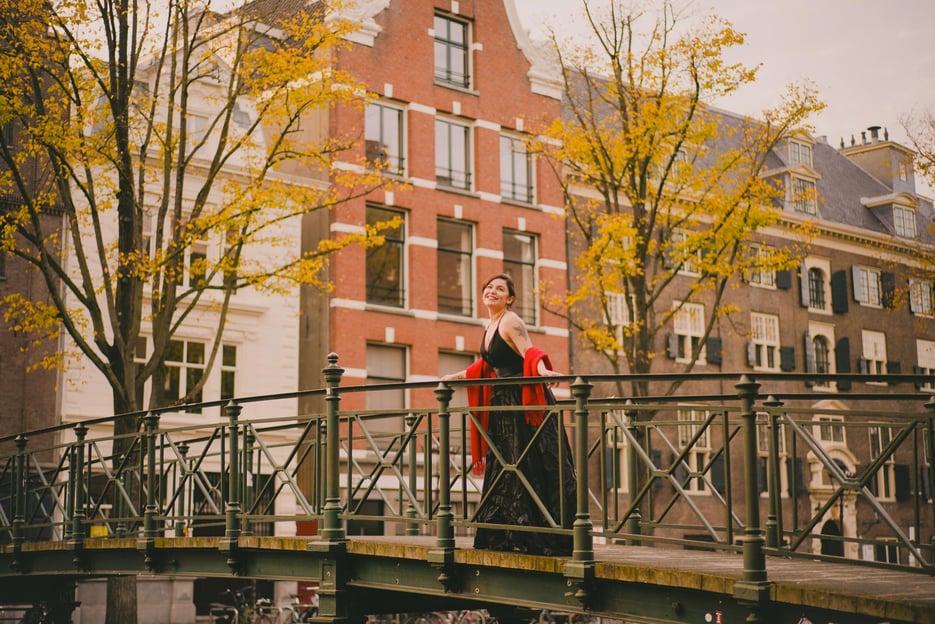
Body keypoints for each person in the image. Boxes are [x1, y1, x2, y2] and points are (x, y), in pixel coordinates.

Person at [441, 273, 576, 556]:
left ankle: (536, 536)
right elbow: (488, 367)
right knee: (506, 464)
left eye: (499, 289)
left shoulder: (511, 320)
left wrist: (543, 371)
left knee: (526, 464)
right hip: (503, 403)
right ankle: (506, 534)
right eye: (488, 287)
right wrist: (454, 375)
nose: (492, 291)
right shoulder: (488, 325)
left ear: (509, 298)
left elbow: (529, 353)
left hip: (520, 404)